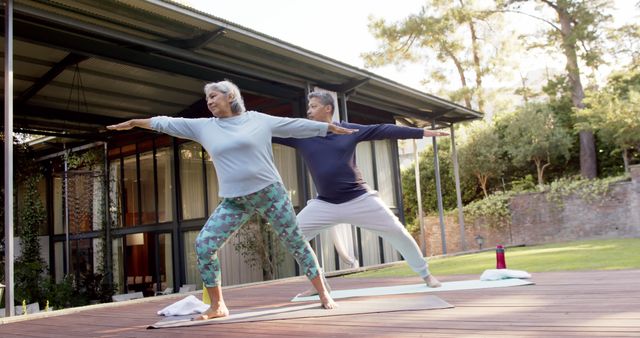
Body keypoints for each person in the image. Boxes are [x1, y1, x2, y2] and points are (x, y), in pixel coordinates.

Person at [107, 81, 357, 319]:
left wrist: (327, 127)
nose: (209, 101)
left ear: (230, 96)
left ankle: (323, 292)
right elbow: (168, 123)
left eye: (213, 96)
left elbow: (292, 125)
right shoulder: (204, 127)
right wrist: (135, 123)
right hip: (235, 201)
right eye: (207, 98)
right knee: (204, 245)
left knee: (296, 242)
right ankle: (218, 306)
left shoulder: (257, 120)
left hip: (270, 193)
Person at [273, 91, 448, 296]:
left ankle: (426, 275)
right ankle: (318, 283)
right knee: (292, 235)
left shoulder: (348, 130)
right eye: (309, 107)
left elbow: (383, 130)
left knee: (398, 232)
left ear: (328, 108)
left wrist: (421, 133)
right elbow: (268, 133)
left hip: (359, 199)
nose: (308, 111)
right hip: (325, 204)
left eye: (313, 106)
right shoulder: (302, 135)